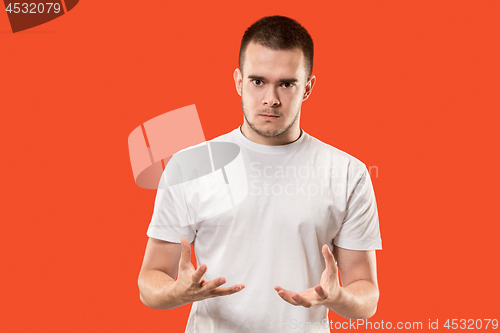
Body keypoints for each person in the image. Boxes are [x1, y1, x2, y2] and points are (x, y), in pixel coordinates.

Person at [138, 15, 382, 332]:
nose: (271, 99)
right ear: (239, 81)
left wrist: (337, 297)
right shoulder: (191, 166)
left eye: (286, 83)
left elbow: (367, 295)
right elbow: (149, 280)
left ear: (307, 87)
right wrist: (176, 291)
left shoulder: (349, 172)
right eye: (258, 81)